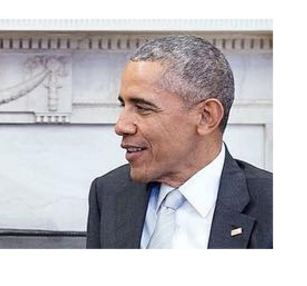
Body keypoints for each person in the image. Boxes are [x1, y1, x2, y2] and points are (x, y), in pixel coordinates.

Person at [86, 35, 272, 249]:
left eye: (143, 107)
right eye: (123, 106)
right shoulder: (109, 192)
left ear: (206, 117)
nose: (121, 126)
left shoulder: (274, 204)